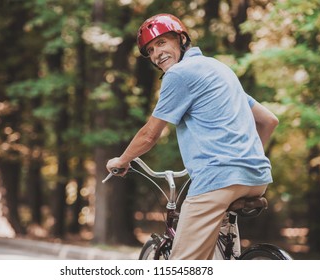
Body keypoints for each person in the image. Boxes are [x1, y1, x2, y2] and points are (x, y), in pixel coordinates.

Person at [106, 13, 279, 259]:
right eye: (151, 50)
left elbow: (150, 134)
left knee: (182, 266)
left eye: (162, 43)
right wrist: (247, 157)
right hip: (257, 177)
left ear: (181, 40)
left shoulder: (179, 74)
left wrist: (122, 160)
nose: (157, 53)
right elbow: (269, 120)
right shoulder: (219, 68)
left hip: (218, 179)